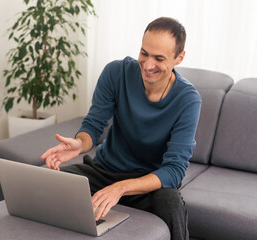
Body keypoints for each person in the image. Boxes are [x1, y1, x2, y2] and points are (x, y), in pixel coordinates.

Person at [41, 17, 201, 240]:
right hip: (104, 171)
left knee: (171, 203)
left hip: (148, 184)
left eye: (159, 58)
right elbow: (93, 125)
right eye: (144, 53)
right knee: (45, 182)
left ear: (179, 58)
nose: (147, 65)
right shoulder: (116, 73)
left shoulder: (188, 100)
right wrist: (80, 144)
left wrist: (121, 188)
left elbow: (174, 170)